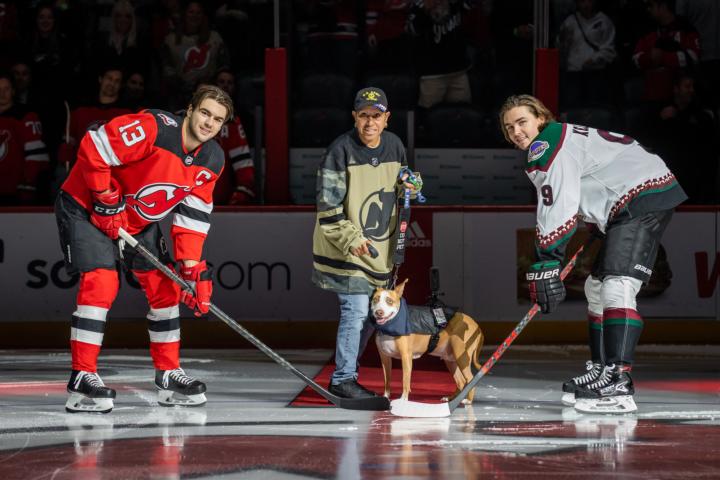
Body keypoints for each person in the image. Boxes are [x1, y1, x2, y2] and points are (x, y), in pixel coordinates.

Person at [499, 94, 687, 414]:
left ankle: (618, 381)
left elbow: (557, 204)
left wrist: (547, 260)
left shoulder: (546, 146)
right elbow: (591, 179)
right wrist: (602, 218)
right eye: (509, 128)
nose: (516, 131)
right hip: (631, 198)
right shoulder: (561, 137)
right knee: (596, 288)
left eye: (522, 122)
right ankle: (602, 371)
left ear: (541, 119)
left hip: (640, 199)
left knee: (617, 284)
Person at [55, 85, 232, 413]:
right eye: (205, 112)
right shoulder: (155, 128)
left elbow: (192, 216)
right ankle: (82, 377)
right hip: (84, 204)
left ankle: (168, 375)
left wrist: (191, 270)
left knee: (166, 288)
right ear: (190, 110)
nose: (209, 122)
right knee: (102, 282)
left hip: (136, 219)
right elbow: (94, 144)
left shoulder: (212, 159)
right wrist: (106, 198)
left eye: (217, 119)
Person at [312, 87, 421, 399]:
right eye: (363, 116)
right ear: (354, 117)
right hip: (345, 250)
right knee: (356, 312)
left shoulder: (395, 145)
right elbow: (327, 206)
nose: (369, 122)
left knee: (374, 318)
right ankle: (343, 379)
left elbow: (399, 189)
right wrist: (352, 238)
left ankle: (345, 375)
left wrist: (409, 185)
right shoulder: (340, 150)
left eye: (376, 116)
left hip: (379, 253)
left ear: (386, 119)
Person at [0, 72, 50, 205]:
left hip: (15, 193)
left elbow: (36, 156)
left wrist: (28, 184)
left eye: (6, 89)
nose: (2, 93)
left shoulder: (26, 116)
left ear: (13, 91)